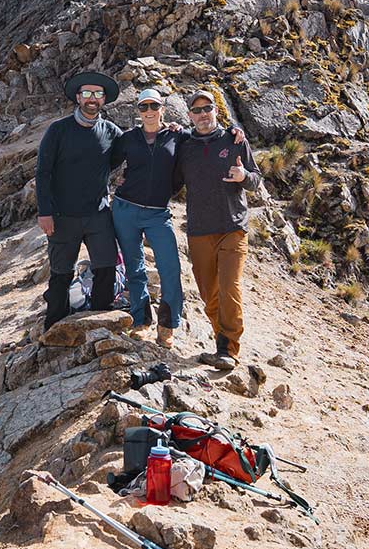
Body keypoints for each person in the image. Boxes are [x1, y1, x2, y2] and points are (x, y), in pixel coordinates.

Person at [111, 90, 246, 349]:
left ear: (163, 109)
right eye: (143, 106)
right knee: (134, 268)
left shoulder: (178, 135)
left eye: (154, 105)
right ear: (138, 111)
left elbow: (207, 135)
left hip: (158, 213)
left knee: (171, 270)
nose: (149, 111)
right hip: (125, 209)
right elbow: (106, 163)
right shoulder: (127, 138)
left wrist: (235, 130)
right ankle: (141, 322)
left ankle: (167, 326)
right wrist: (116, 180)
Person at [174, 90, 262, 370]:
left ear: (216, 111)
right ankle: (220, 340)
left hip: (232, 227)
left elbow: (256, 178)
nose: (202, 115)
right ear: (190, 115)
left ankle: (228, 349)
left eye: (207, 108)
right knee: (209, 293)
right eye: (196, 111)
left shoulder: (234, 140)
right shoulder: (184, 145)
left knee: (229, 287)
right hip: (199, 229)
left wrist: (244, 176)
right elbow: (170, 177)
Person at [36, 70, 122, 331]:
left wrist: (170, 130)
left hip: (98, 214)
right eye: (87, 93)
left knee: (106, 266)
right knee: (62, 272)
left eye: (97, 94)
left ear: (104, 99)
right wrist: (45, 212)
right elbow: (43, 172)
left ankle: (100, 320)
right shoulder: (58, 130)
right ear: (78, 97)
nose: (92, 99)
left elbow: (135, 148)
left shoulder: (110, 131)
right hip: (62, 216)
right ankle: (55, 326)